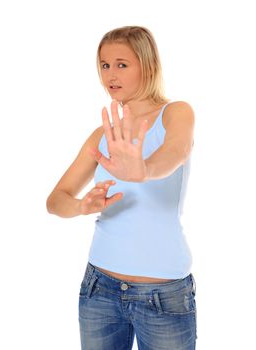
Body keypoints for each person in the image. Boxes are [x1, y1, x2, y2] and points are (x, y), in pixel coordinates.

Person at [46, 25, 197, 350]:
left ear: (149, 65)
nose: (110, 74)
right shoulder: (103, 135)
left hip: (163, 296)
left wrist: (144, 170)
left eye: (122, 64)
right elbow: (55, 200)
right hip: (99, 289)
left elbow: (176, 152)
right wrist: (82, 205)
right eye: (104, 65)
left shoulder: (176, 113)